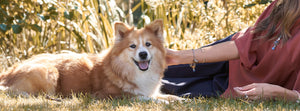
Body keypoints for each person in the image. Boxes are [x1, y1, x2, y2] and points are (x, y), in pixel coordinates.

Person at [161, 0, 300, 102]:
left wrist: (281, 94)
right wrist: (179, 56)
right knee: (156, 67)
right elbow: (248, 43)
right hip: (230, 56)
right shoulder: (287, 5)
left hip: (241, 87)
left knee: (158, 85)